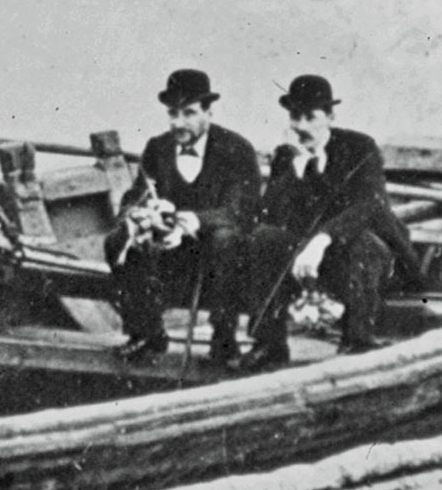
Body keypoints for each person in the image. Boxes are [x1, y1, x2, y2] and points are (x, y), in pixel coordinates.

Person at [237, 78, 416, 369]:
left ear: (331, 117)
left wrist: (323, 239)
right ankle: (268, 344)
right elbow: (269, 213)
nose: (302, 126)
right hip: (313, 260)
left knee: (364, 244)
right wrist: (296, 172)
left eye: (311, 117)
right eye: (296, 117)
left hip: (370, 256)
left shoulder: (359, 148)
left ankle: (357, 343)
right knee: (265, 237)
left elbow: (369, 205)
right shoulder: (287, 156)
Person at [105, 69, 262, 366]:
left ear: (208, 112)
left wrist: (189, 220)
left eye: (188, 113)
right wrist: (139, 216)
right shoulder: (157, 148)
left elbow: (240, 211)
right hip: (171, 257)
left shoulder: (236, 149)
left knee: (226, 239)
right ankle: (146, 333)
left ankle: (224, 337)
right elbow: (133, 197)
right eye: (173, 114)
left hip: (218, 255)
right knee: (118, 239)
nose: (178, 123)